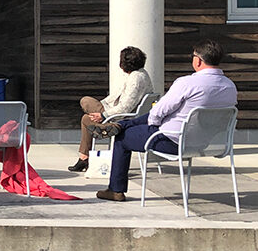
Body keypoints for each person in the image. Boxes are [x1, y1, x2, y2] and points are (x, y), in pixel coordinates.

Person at [96, 39, 238, 202]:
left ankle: (115, 189)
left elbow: (157, 113)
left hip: (173, 141)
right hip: (207, 143)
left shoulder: (187, 83)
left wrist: (155, 123)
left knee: (122, 137)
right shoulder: (229, 86)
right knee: (136, 122)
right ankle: (121, 124)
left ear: (198, 60)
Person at [68, 46, 153, 172]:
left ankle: (109, 128)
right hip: (118, 113)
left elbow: (126, 107)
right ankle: (84, 158)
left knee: (85, 101)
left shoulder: (136, 78)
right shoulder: (139, 74)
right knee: (86, 119)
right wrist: (100, 107)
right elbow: (114, 97)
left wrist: (103, 115)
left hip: (122, 117)